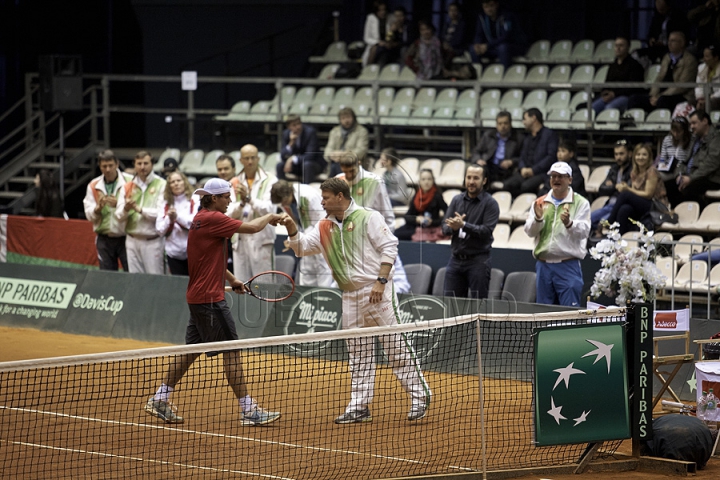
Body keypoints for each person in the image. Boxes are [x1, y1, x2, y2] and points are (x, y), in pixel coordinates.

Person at [281, 178, 431, 424]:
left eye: (326, 197)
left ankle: (419, 397)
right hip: (349, 295)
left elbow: (390, 247)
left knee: (395, 347)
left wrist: (380, 281)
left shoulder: (368, 217)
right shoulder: (323, 225)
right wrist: (291, 227)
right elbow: (302, 248)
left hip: (376, 291)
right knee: (358, 353)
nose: (322, 201)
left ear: (340, 197)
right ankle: (359, 406)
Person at [144, 178, 285, 426]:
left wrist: (232, 279)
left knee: (190, 351)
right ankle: (249, 410)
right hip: (209, 300)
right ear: (215, 198)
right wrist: (270, 216)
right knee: (231, 350)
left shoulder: (200, 218)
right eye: (226, 196)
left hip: (198, 298)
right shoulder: (213, 219)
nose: (230, 200)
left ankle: (160, 398)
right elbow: (252, 228)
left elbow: (210, 257)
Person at [524, 162, 591, 307]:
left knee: (568, 314)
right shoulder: (539, 202)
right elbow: (529, 231)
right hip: (543, 266)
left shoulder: (581, 203)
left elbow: (584, 231)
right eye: (553, 176)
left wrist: (569, 223)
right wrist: (538, 219)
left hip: (568, 265)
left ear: (570, 180)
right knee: (543, 313)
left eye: (560, 176)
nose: (556, 180)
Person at [441, 165, 499, 298]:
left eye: (476, 178)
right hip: (455, 259)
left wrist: (464, 225)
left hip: (478, 261)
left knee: (478, 306)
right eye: (469, 177)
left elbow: (486, 231)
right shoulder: (457, 200)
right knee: (450, 304)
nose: (471, 181)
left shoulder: (490, 203)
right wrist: (453, 228)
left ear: (484, 181)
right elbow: (444, 228)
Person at [227, 144, 277, 280]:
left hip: (262, 239)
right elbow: (228, 213)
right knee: (241, 284)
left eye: (253, 158)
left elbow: (269, 210)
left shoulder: (270, 180)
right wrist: (242, 203)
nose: (250, 162)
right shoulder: (234, 182)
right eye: (246, 158)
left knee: (264, 284)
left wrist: (249, 198)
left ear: (258, 158)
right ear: (240, 160)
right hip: (240, 238)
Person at [270, 180, 333, 287]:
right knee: (306, 271)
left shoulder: (309, 196)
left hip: (322, 238)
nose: (283, 205)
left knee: (322, 269)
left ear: (289, 193)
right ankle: (307, 299)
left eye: (284, 202)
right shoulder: (285, 200)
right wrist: (294, 239)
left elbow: (321, 224)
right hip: (306, 238)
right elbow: (296, 224)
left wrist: (300, 239)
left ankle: (324, 299)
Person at [116, 151, 167, 275]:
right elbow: (118, 215)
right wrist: (126, 209)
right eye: (139, 163)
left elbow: (161, 214)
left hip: (152, 240)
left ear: (152, 164)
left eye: (146, 163)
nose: (142, 167)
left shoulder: (162, 184)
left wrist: (140, 210)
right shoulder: (127, 186)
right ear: (134, 165)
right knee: (135, 280)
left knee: (155, 279)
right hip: (131, 239)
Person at [83, 149, 131, 271]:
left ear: (117, 164)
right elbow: (89, 215)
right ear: (100, 167)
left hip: (126, 236)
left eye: (110, 165)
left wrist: (119, 205)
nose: (108, 169)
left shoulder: (130, 182)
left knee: (131, 274)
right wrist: (97, 209)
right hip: (104, 238)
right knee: (106, 276)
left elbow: (136, 209)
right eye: (104, 166)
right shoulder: (93, 185)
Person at [628, 31, 698, 113]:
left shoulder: (690, 60)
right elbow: (659, 78)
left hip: (681, 95)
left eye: (673, 41)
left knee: (663, 101)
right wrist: (653, 95)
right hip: (661, 95)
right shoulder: (667, 57)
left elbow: (682, 85)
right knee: (634, 99)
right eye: (669, 40)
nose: (669, 43)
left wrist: (660, 96)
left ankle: (661, 123)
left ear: (682, 43)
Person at [607, 143, 669, 234]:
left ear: (649, 157)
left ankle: (609, 222)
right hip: (642, 205)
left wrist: (628, 189)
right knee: (624, 209)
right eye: (638, 154)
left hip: (656, 206)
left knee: (625, 195)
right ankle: (620, 240)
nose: (641, 157)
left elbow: (648, 195)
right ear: (634, 156)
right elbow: (634, 195)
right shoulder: (634, 172)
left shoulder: (652, 171)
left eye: (644, 155)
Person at [502, 108, 559, 198]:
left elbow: (550, 157)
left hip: (541, 173)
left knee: (526, 186)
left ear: (533, 118)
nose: (523, 122)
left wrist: (533, 170)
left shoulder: (549, 135)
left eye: (525, 119)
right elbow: (522, 156)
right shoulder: (527, 137)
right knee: (507, 185)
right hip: (525, 172)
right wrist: (522, 168)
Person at [667, 109, 720, 206]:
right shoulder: (695, 139)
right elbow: (684, 161)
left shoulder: (716, 138)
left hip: (710, 178)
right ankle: (677, 216)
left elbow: (711, 164)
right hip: (692, 176)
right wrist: (679, 175)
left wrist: (690, 178)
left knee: (688, 190)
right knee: (669, 185)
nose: (691, 127)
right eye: (690, 124)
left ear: (705, 121)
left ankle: (699, 212)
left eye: (694, 123)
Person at [335, 152, 394, 231]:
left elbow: (387, 213)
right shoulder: (338, 179)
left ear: (359, 164)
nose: (348, 175)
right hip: (345, 232)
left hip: (370, 230)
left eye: (352, 171)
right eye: (345, 172)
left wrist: (389, 234)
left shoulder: (375, 181)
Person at [156, 171, 199, 276]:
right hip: (173, 252)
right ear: (169, 186)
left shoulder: (194, 199)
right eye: (172, 182)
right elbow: (159, 229)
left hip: (192, 252)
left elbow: (195, 223)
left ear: (184, 182)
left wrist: (177, 217)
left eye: (179, 180)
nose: (176, 184)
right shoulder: (165, 203)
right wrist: (169, 219)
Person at [592, 36, 646, 115]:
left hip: (625, 96)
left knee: (609, 108)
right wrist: (605, 92)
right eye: (616, 45)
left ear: (628, 47)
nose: (618, 48)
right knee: (593, 108)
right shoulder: (613, 65)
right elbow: (607, 82)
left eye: (621, 45)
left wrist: (614, 94)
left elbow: (633, 87)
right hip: (610, 96)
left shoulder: (634, 65)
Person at [471, 110, 523, 188]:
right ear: (496, 125)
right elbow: (476, 151)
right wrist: (478, 160)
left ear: (510, 123)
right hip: (490, 166)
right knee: (479, 173)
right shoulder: (488, 135)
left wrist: (511, 161)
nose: (503, 126)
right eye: (500, 124)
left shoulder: (518, 138)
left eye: (505, 123)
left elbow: (523, 158)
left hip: (508, 170)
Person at [591, 140, 633, 234]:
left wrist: (612, 186)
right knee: (588, 220)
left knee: (601, 223)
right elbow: (602, 189)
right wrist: (616, 186)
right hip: (609, 205)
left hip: (620, 207)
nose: (618, 157)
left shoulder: (633, 170)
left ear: (630, 154)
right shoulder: (613, 169)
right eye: (616, 154)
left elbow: (626, 191)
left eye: (621, 154)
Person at [395, 169, 448, 242]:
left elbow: (448, 215)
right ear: (419, 182)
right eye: (423, 179)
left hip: (430, 229)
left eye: (429, 179)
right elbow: (407, 216)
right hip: (415, 227)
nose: (426, 182)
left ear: (433, 180)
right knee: (395, 234)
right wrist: (416, 219)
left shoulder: (437, 196)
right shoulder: (417, 196)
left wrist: (432, 222)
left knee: (401, 236)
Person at [470, 0, 527, 68]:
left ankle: (504, 75)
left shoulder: (506, 16)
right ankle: (478, 74)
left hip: (512, 46)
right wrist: (477, 45)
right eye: (486, 7)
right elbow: (478, 34)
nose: (489, 9)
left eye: (491, 6)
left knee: (503, 48)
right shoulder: (482, 18)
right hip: (492, 47)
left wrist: (488, 46)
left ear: (496, 5)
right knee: (473, 49)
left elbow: (506, 37)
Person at [634, 0, 690, 64]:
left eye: (660, 2)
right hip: (656, 47)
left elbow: (681, 36)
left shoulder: (678, 17)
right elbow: (650, 34)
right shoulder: (656, 17)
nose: (658, 4)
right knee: (636, 54)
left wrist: (666, 42)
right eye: (657, 2)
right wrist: (651, 39)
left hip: (670, 48)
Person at [276, 114, 323, 184]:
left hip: (313, 164)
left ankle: (307, 191)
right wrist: (291, 143)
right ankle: (281, 189)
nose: (298, 127)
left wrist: (292, 159)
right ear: (289, 127)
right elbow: (283, 156)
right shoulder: (286, 134)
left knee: (307, 165)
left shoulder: (310, 132)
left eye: (299, 123)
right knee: (280, 165)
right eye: (294, 125)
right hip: (297, 166)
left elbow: (310, 155)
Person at [325, 107, 369, 177]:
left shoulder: (362, 131)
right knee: (335, 165)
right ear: (340, 120)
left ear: (353, 118)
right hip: (336, 162)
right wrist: (332, 155)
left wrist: (344, 155)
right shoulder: (334, 131)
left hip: (354, 164)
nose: (346, 120)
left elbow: (361, 151)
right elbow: (328, 150)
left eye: (348, 117)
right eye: (343, 118)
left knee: (339, 166)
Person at [656, 116, 692, 182]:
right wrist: (663, 166)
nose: (675, 134)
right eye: (673, 131)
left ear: (685, 131)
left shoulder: (691, 141)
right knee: (653, 175)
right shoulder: (667, 139)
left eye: (679, 131)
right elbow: (663, 158)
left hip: (683, 170)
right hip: (669, 171)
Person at [361, 0, 391, 66]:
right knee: (374, 49)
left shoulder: (389, 18)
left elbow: (390, 35)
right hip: (376, 45)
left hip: (387, 45)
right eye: (380, 10)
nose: (383, 12)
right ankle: (369, 69)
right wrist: (378, 42)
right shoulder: (371, 18)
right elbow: (366, 38)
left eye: (384, 10)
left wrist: (387, 42)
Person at [694, 44, 720, 112]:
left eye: (707, 56)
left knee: (709, 104)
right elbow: (699, 86)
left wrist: (708, 99)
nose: (704, 59)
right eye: (704, 56)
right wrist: (700, 98)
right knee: (692, 102)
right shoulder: (701, 68)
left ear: (716, 58)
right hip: (704, 98)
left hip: (716, 98)